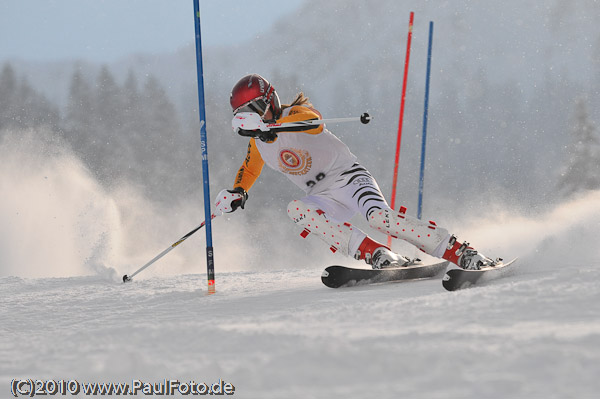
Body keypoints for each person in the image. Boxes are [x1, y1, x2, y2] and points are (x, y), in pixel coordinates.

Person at [214, 73, 498, 270]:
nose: (259, 117)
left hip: (349, 177)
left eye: (260, 108)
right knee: (296, 209)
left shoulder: (294, 115)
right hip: (322, 195)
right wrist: (238, 192)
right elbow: (249, 168)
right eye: (248, 115)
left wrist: (273, 126)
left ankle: (458, 250)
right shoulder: (258, 143)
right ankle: (375, 253)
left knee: (379, 217)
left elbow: (313, 123)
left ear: (272, 101)